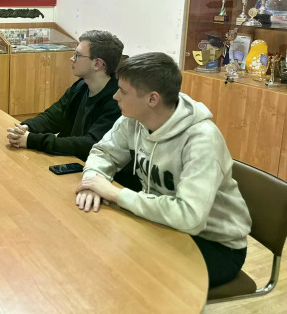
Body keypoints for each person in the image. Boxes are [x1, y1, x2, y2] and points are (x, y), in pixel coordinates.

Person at [74, 52, 251, 288]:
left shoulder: (201, 139)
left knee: (130, 275)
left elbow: (190, 217)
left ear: (152, 99)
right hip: (163, 223)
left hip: (214, 244)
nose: (115, 96)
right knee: (99, 250)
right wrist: (92, 182)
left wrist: (115, 194)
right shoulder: (134, 118)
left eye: (123, 92)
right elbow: (103, 153)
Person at [7, 31, 124, 164]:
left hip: (92, 168)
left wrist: (32, 140)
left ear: (97, 64)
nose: (72, 59)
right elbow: (52, 117)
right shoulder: (81, 86)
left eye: (77, 55)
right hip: (69, 160)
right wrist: (26, 127)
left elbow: (90, 143)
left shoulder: (118, 100)